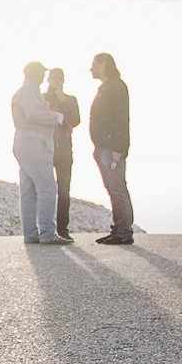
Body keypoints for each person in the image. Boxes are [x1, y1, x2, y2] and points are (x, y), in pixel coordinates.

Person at [10, 61, 68, 244]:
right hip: (34, 143)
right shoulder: (29, 90)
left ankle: (30, 233)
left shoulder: (24, 91)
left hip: (24, 142)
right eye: (43, 73)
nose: (44, 77)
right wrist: (56, 118)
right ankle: (47, 233)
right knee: (47, 188)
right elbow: (34, 114)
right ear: (36, 74)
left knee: (28, 190)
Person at [89, 52, 133, 245]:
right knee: (112, 188)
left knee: (117, 188)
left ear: (104, 64)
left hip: (111, 148)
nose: (91, 69)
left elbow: (122, 118)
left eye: (94, 64)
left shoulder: (116, 87)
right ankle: (118, 229)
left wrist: (119, 147)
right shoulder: (105, 88)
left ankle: (124, 232)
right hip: (102, 147)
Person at [46, 67, 81, 239]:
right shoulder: (41, 98)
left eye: (60, 78)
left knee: (64, 192)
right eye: (54, 78)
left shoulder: (71, 100)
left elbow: (75, 121)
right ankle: (45, 228)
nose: (57, 81)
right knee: (44, 190)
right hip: (45, 150)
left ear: (64, 81)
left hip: (65, 152)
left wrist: (63, 102)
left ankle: (63, 229)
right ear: (48, 80)